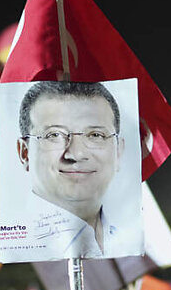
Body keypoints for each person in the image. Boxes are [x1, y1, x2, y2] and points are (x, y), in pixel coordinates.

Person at [16, 81, 127, 258]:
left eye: (95, 135)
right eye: (54, 135)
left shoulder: (126, 238)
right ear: (25, 153)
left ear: (118, 151)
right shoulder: (20, 250)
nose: (76, 153)